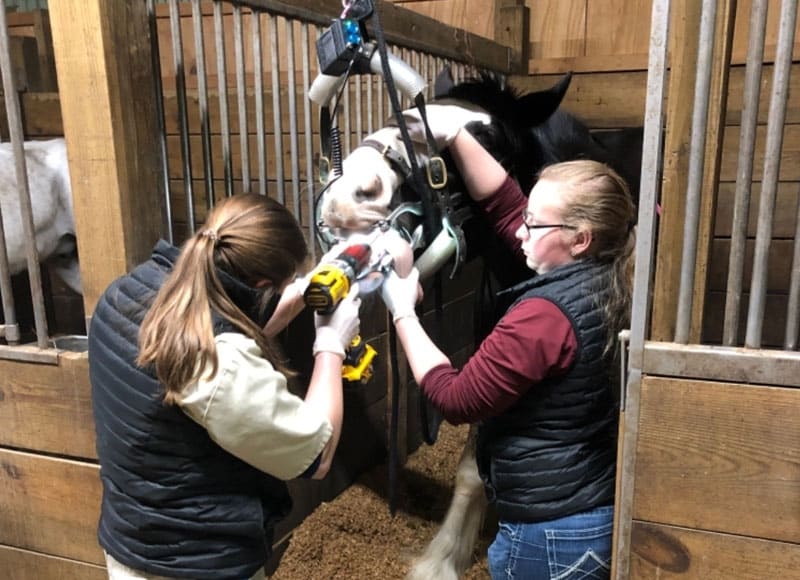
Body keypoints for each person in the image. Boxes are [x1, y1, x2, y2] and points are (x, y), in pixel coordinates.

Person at [380, 117, 636, 579]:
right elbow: (504, 206)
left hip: (547, 537)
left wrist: (402, 312)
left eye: (534, 224)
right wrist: (456, 135)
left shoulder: (544, 316)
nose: (521, 230)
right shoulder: (606, 272)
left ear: (579, 239)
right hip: (586, 508)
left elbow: (456, 399)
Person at [88, 193, 361, 580]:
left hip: (131, 547)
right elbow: (317, 452)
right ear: (263, 285)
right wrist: (331, 342)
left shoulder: (125, 293)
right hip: (199, 564)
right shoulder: (217, 363)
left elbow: (218, 328)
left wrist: (299, 292)